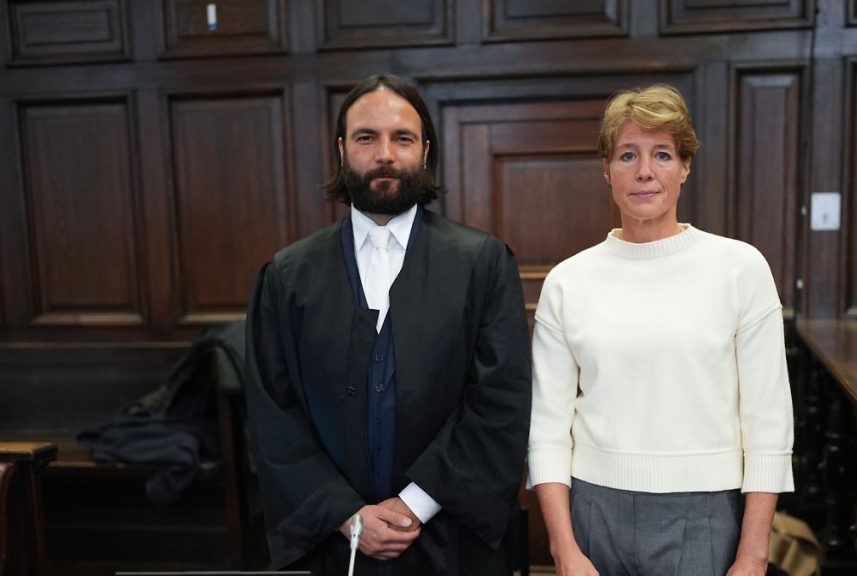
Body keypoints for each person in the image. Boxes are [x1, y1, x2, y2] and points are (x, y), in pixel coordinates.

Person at [244, 74, 531, 575]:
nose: (384, 154)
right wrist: (345, 514)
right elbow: (273, 412)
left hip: (450, 539)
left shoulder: (481, 264)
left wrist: (413, 505)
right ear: (341, 150)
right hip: (333, 543)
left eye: (402, 138)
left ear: (425, 151)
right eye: (366, 138)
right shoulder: (288, 275)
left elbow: (499, 401)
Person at [527, 84, 794, 576]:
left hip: (707, 510)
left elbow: (768, 422)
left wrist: (753, 555)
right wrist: (563, 548)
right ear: (607, 169)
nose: (645, 171)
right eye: (627, 155)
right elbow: (546, 426)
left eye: (663, 154)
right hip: (593, 510)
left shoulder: (740, 268)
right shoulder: (568, 282)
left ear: (685, 167)